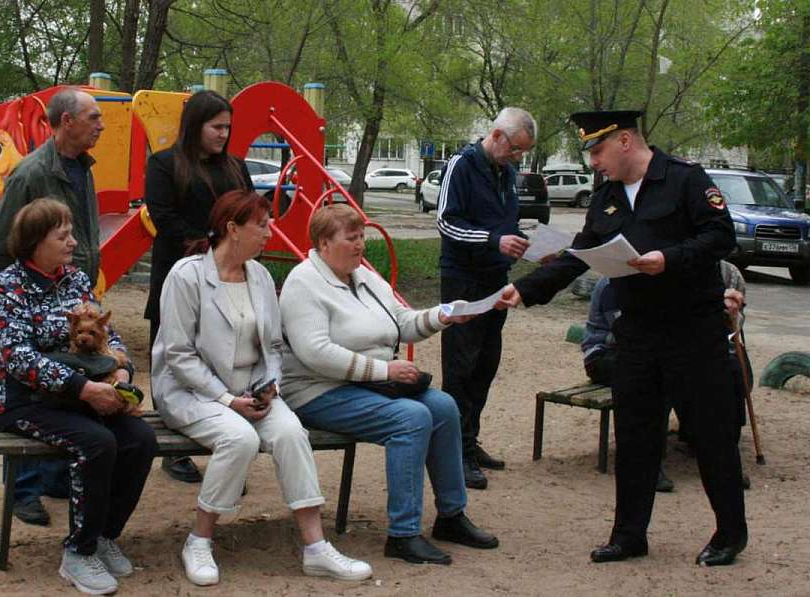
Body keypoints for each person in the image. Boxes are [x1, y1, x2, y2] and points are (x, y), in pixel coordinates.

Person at [495, 110, 748, 567]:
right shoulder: (607, 196)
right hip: (636, 334)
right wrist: (527, 288)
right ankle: (629, 535)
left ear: (626, 141)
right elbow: (581, 252)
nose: (593, 161)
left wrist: (667, 259)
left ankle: (730, 533)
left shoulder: (686, 179)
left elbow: (720, 237)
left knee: (712, 436)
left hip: (694, 332)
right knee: (634, 439)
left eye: (597, 151)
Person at [151, 191, 371, 586]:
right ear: (232, 229)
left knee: (290, 432)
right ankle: (198, 540)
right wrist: (227, 400)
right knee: (239, 439)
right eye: (262, 224)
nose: (270, 232)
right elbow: (178, 355)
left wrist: (269, 384)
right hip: (191, 391)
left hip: (249, 389)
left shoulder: (260, 276)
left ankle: (316, 548)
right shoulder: (186, 276)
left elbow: (272, 346)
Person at [280, 203, 499, 566]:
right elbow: (315, 353)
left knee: (443, 406)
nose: (360, 245)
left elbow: (401, 322)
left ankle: (451, 516)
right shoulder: (304, 283)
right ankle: (403, 534)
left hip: (368, 383)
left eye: (361, 236)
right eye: (351, 238)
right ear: (323, 243)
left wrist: (444, 315)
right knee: (410, 418)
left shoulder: (362, 276)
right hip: (317, 390)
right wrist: (385, 372)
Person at [0, 199, 156, 595]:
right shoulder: (8, 286)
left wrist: (124, 372)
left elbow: (108, 335)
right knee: (97, 442)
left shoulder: (76, 280)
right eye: (63, 236)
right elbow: (16, 357)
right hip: (23, 399)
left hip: (78, 394)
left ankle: (102, 536)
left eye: (71, 234)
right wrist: (84, 389)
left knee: (140, 440)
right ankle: (77, 553)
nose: (73, 242)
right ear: (34, 242)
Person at [0, 87, 106, 527]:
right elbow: (2, 247)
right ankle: (22, 490)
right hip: (35, 296)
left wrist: (76, 283)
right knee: (30, 388)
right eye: (93, 117)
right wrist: (34, 287)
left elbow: (85, 232)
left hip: (71, 292)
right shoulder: (30, 174)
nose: (101, 124)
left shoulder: (82, 168)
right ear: (66, 121)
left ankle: (56, 476)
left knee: (66, 385)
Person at [144, 89, 253, 484]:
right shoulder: (164, 164)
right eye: (216, 127)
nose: (224, 134)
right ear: (196, 126)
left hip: (228, 280)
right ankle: (174, 450)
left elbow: (248, 210)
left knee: (224, 357)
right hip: (178, 276)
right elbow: (162, 217)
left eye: (228, 127)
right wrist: (207, 245)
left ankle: (225, 442)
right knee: (174, 359)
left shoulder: (236, 167)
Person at [436, 107, 536, 489]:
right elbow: (446, 221)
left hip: (497, 279)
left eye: (522, 153)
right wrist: (494, 240)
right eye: (514, 150)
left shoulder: (505, 173)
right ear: (496, 136)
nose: (517, 158)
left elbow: (505, 224)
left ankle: (470, 440)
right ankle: (454, 453)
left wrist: (524, 244)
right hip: (463, 280)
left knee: (485, 364)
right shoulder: (461, 165)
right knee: (460, 365)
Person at [582, 276, 674, 492]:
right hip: (603, 356)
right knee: (653, 381)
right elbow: (625, 333)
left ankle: (701, 444)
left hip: (638, 352)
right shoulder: (611, 284)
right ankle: (650, 463)